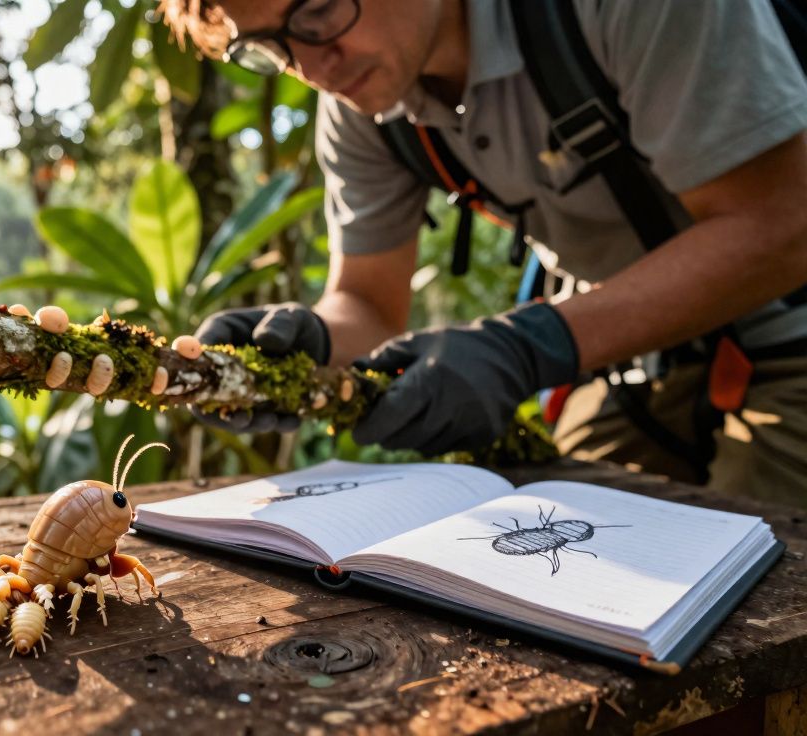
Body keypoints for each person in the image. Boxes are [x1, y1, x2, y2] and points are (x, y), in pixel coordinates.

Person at [160, 0, 807, 504]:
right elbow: (366, 302)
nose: (312, 66)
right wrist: (311, 344)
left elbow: (783, 225)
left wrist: (528, 347)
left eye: (320, 11)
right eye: (270, 45)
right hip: (628, 357)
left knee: (756, 581)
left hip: (789, 323)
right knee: (561, 538)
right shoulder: (363, 110)